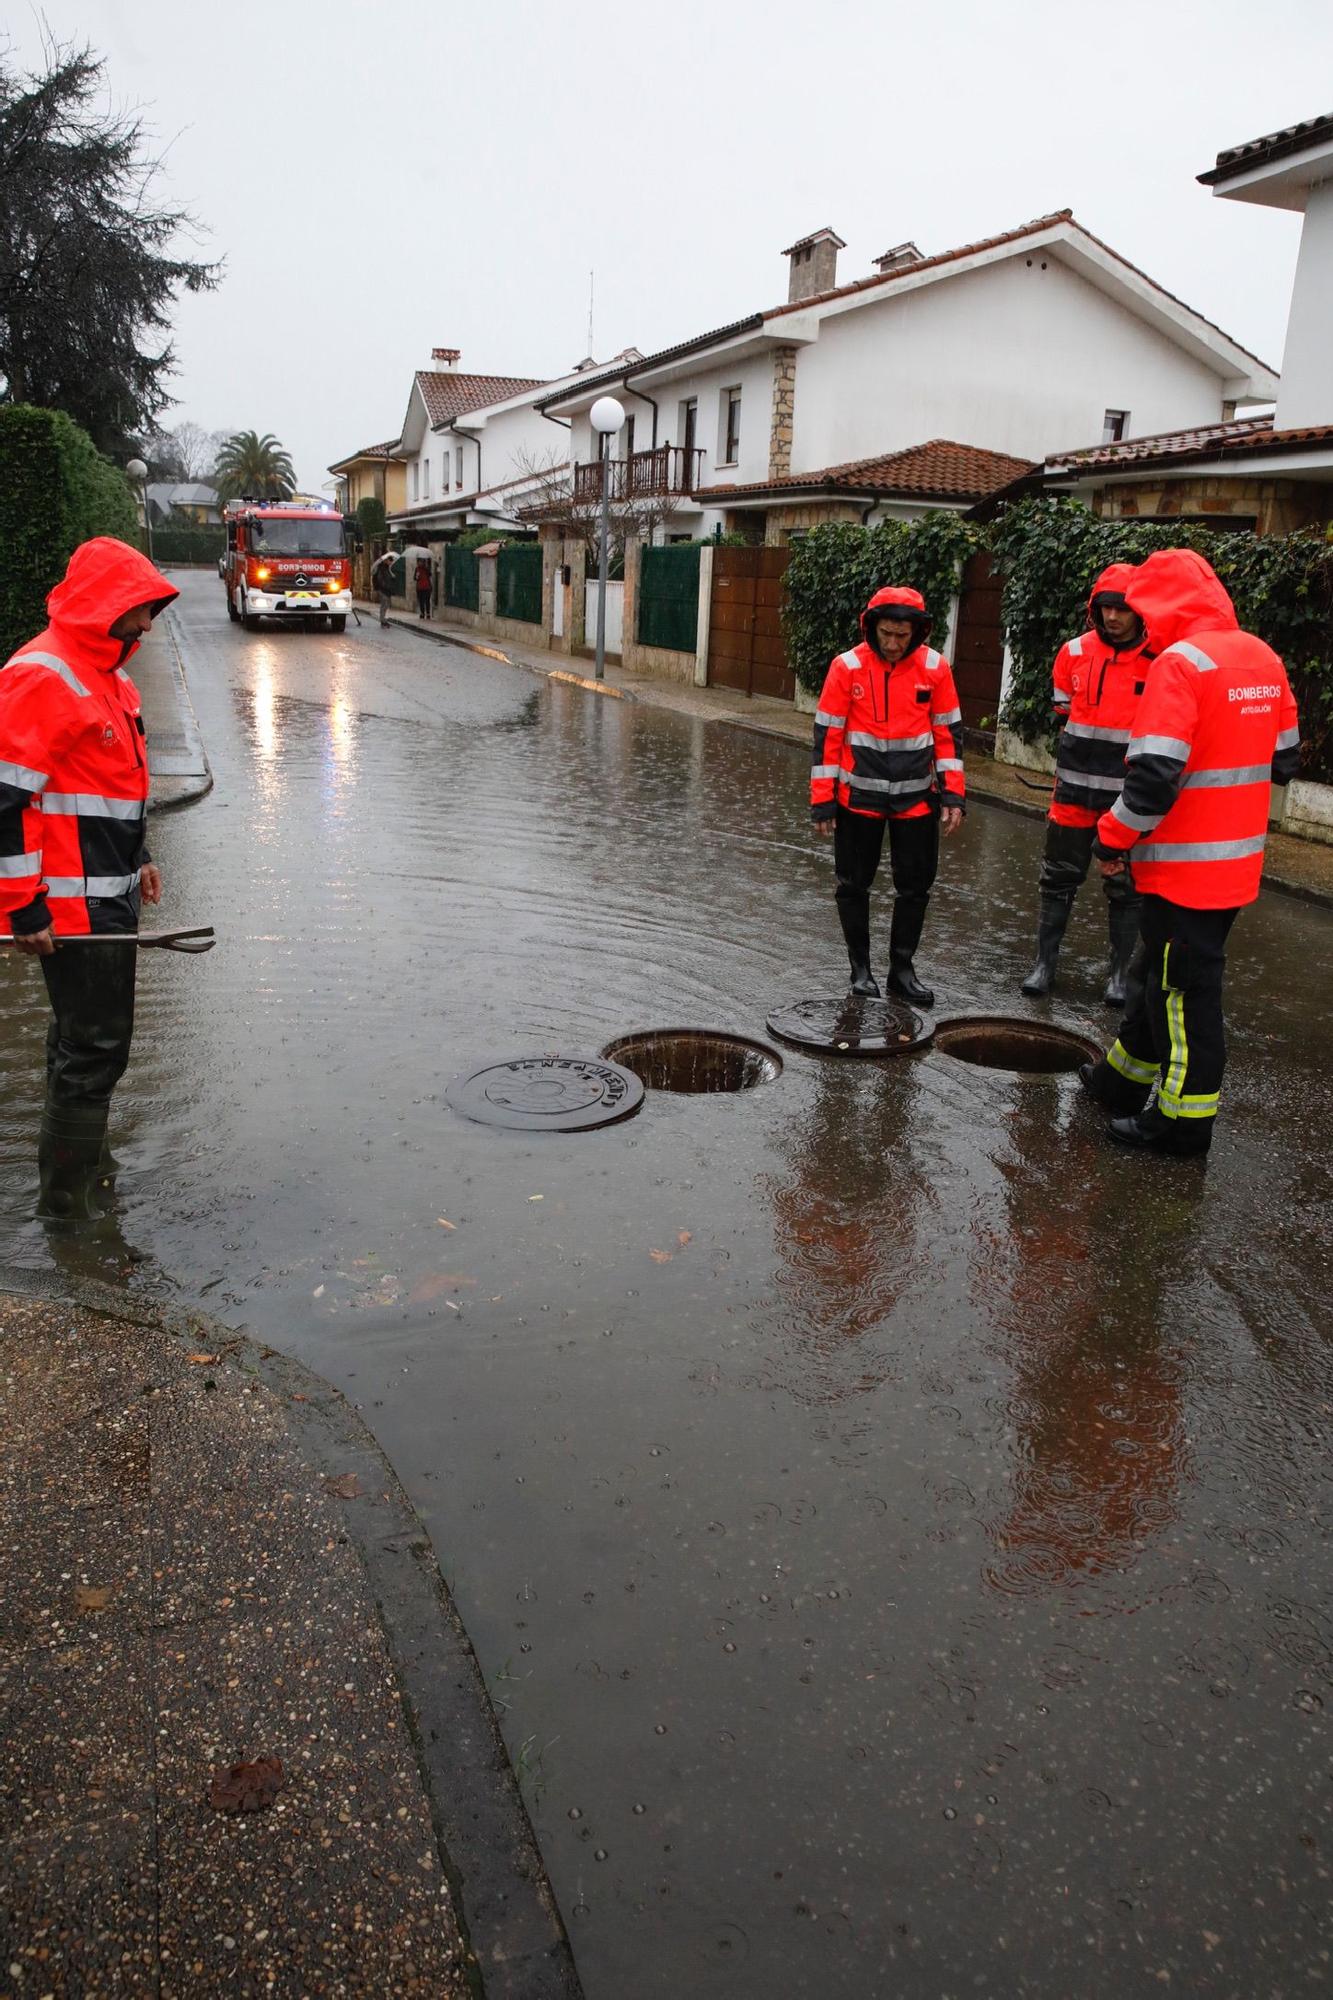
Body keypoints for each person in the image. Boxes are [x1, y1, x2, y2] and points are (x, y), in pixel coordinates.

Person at [1079, 548, 1300, 1157]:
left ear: (1162, 607)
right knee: (1156, 975)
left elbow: (1151, 781)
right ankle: (1121, 1083)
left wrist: (1111, 837)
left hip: (1183, 870)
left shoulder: (1179, 663)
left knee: (1183, 999)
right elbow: (1284, 761)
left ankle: (1180, 1125)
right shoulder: (1263, 656)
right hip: (1233, 867)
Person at [0, 537, 178, 1218]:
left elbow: (112, 786)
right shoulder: (44, 675)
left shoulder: (111, 679)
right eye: (138, 609)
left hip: (105, 896)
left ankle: (88, 1179)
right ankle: (69, 1216)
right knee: (96, 1050)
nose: (146, 624)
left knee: (81, 1042)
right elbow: (5, 799)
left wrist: (140, 856)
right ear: (103, 606)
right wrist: (24, 907)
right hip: (70, 908)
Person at [810, 586, 965, 1007]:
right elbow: (828, 735)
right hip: (857, 798)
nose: (894, 643)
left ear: (917, 631)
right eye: (886, 634)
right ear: (871, 627)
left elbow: (948, 735)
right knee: (853, 886)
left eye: (902, 635)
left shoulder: (935, 668)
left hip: (916, 801)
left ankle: (902, 970)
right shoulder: (846, 667)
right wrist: (822, 799)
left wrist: (954, 796)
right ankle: (860, 971)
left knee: (915, 888)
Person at [1020, 563, 1154, 1004]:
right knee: (1058, 878)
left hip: (1127, 798)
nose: (1113, 617)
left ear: (1139, 610)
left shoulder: (1160, 658)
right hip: (1073, 792)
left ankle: (1118, 976)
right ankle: (1044, 965)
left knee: (1126, 887)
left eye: (1122, 608)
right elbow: (1064, 707)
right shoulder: (1073, 651)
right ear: (1093, 608)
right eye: (1105, 608)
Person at [371, 549, 396, 626]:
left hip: (386, 589)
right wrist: (385, 586)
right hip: (382, 589)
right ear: (386, 560)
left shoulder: (387, 568)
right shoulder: (381, 568)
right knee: (384, 604)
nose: (391, 563)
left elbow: (388, 577)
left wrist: (392, 576)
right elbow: (380, 579)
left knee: (386, 604)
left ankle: (383, 619)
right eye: (390, 561)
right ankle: (382, 620)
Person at [414, 555, 432, 620]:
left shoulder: (426, 569)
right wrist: (417, 576)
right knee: (421, 601)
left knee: (427, 601)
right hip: (419, 587)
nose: (419, 563)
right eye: (419, 562)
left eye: (421, 562)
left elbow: (430, 574)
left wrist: (426, 568)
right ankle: (422, 613)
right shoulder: (417, 569)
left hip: (426, 587)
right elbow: (415, 578)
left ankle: (428, 613)